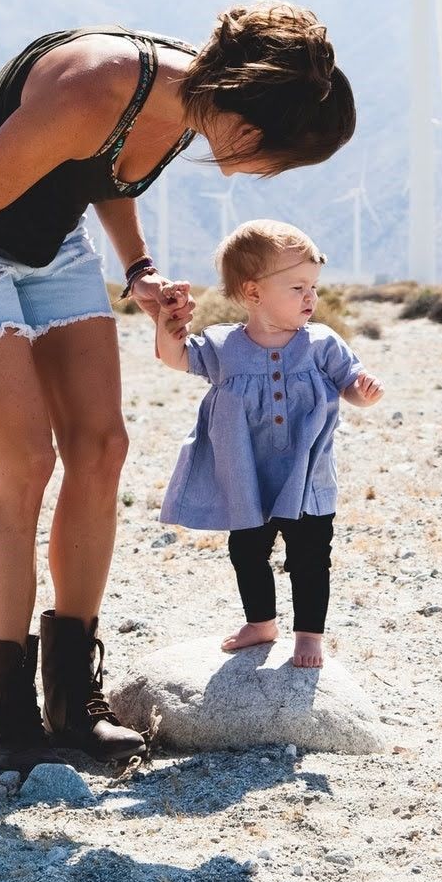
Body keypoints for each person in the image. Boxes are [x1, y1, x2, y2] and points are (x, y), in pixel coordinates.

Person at [0, 4, 354, 769]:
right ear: (249, 113)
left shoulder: (193, 104)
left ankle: (72, 703)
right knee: (25, 463)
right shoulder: (96, 83)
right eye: (277, 152)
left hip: (52, 240)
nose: (269, 169)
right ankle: (7, 719)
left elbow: (107, 171)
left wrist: (138, 270)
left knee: (103, 447)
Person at [153, 220, 383, 670]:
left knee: (311, 555)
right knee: (247, 551)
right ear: (254, 293)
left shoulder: (321, 344)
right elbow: (175, 357)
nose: (311, 298)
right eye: (297, 287)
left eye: (314, 286)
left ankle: (309, 634)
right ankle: (261, 623)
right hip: (248, 476)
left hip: (307, 477)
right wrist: (168, 324)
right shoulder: (223, 347)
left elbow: (348, 383)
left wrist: (363, 390)